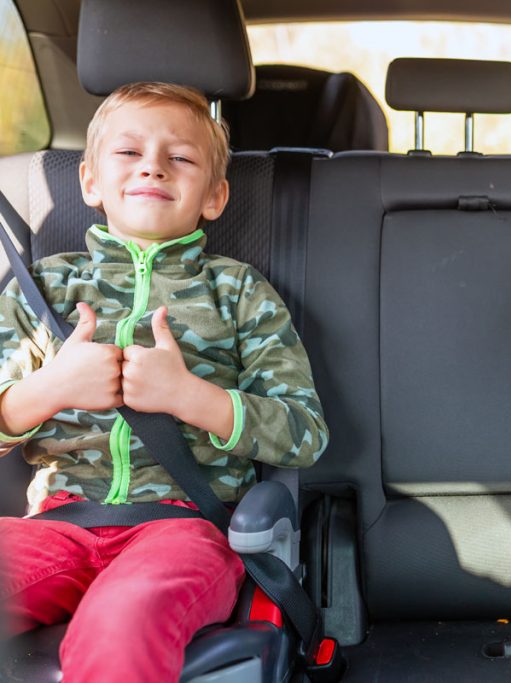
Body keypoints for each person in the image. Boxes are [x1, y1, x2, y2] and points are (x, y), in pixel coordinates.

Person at [0, 82, 329, 682]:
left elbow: (303, 434)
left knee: (123, 624)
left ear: (214, 195)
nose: (153, 164)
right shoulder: (42, 289)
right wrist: (54, 387)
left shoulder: (237, 293)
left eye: (180, 157)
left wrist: (190, 398)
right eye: (129, 152)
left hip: (183, 529)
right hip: (55, 523)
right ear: (91, 182)